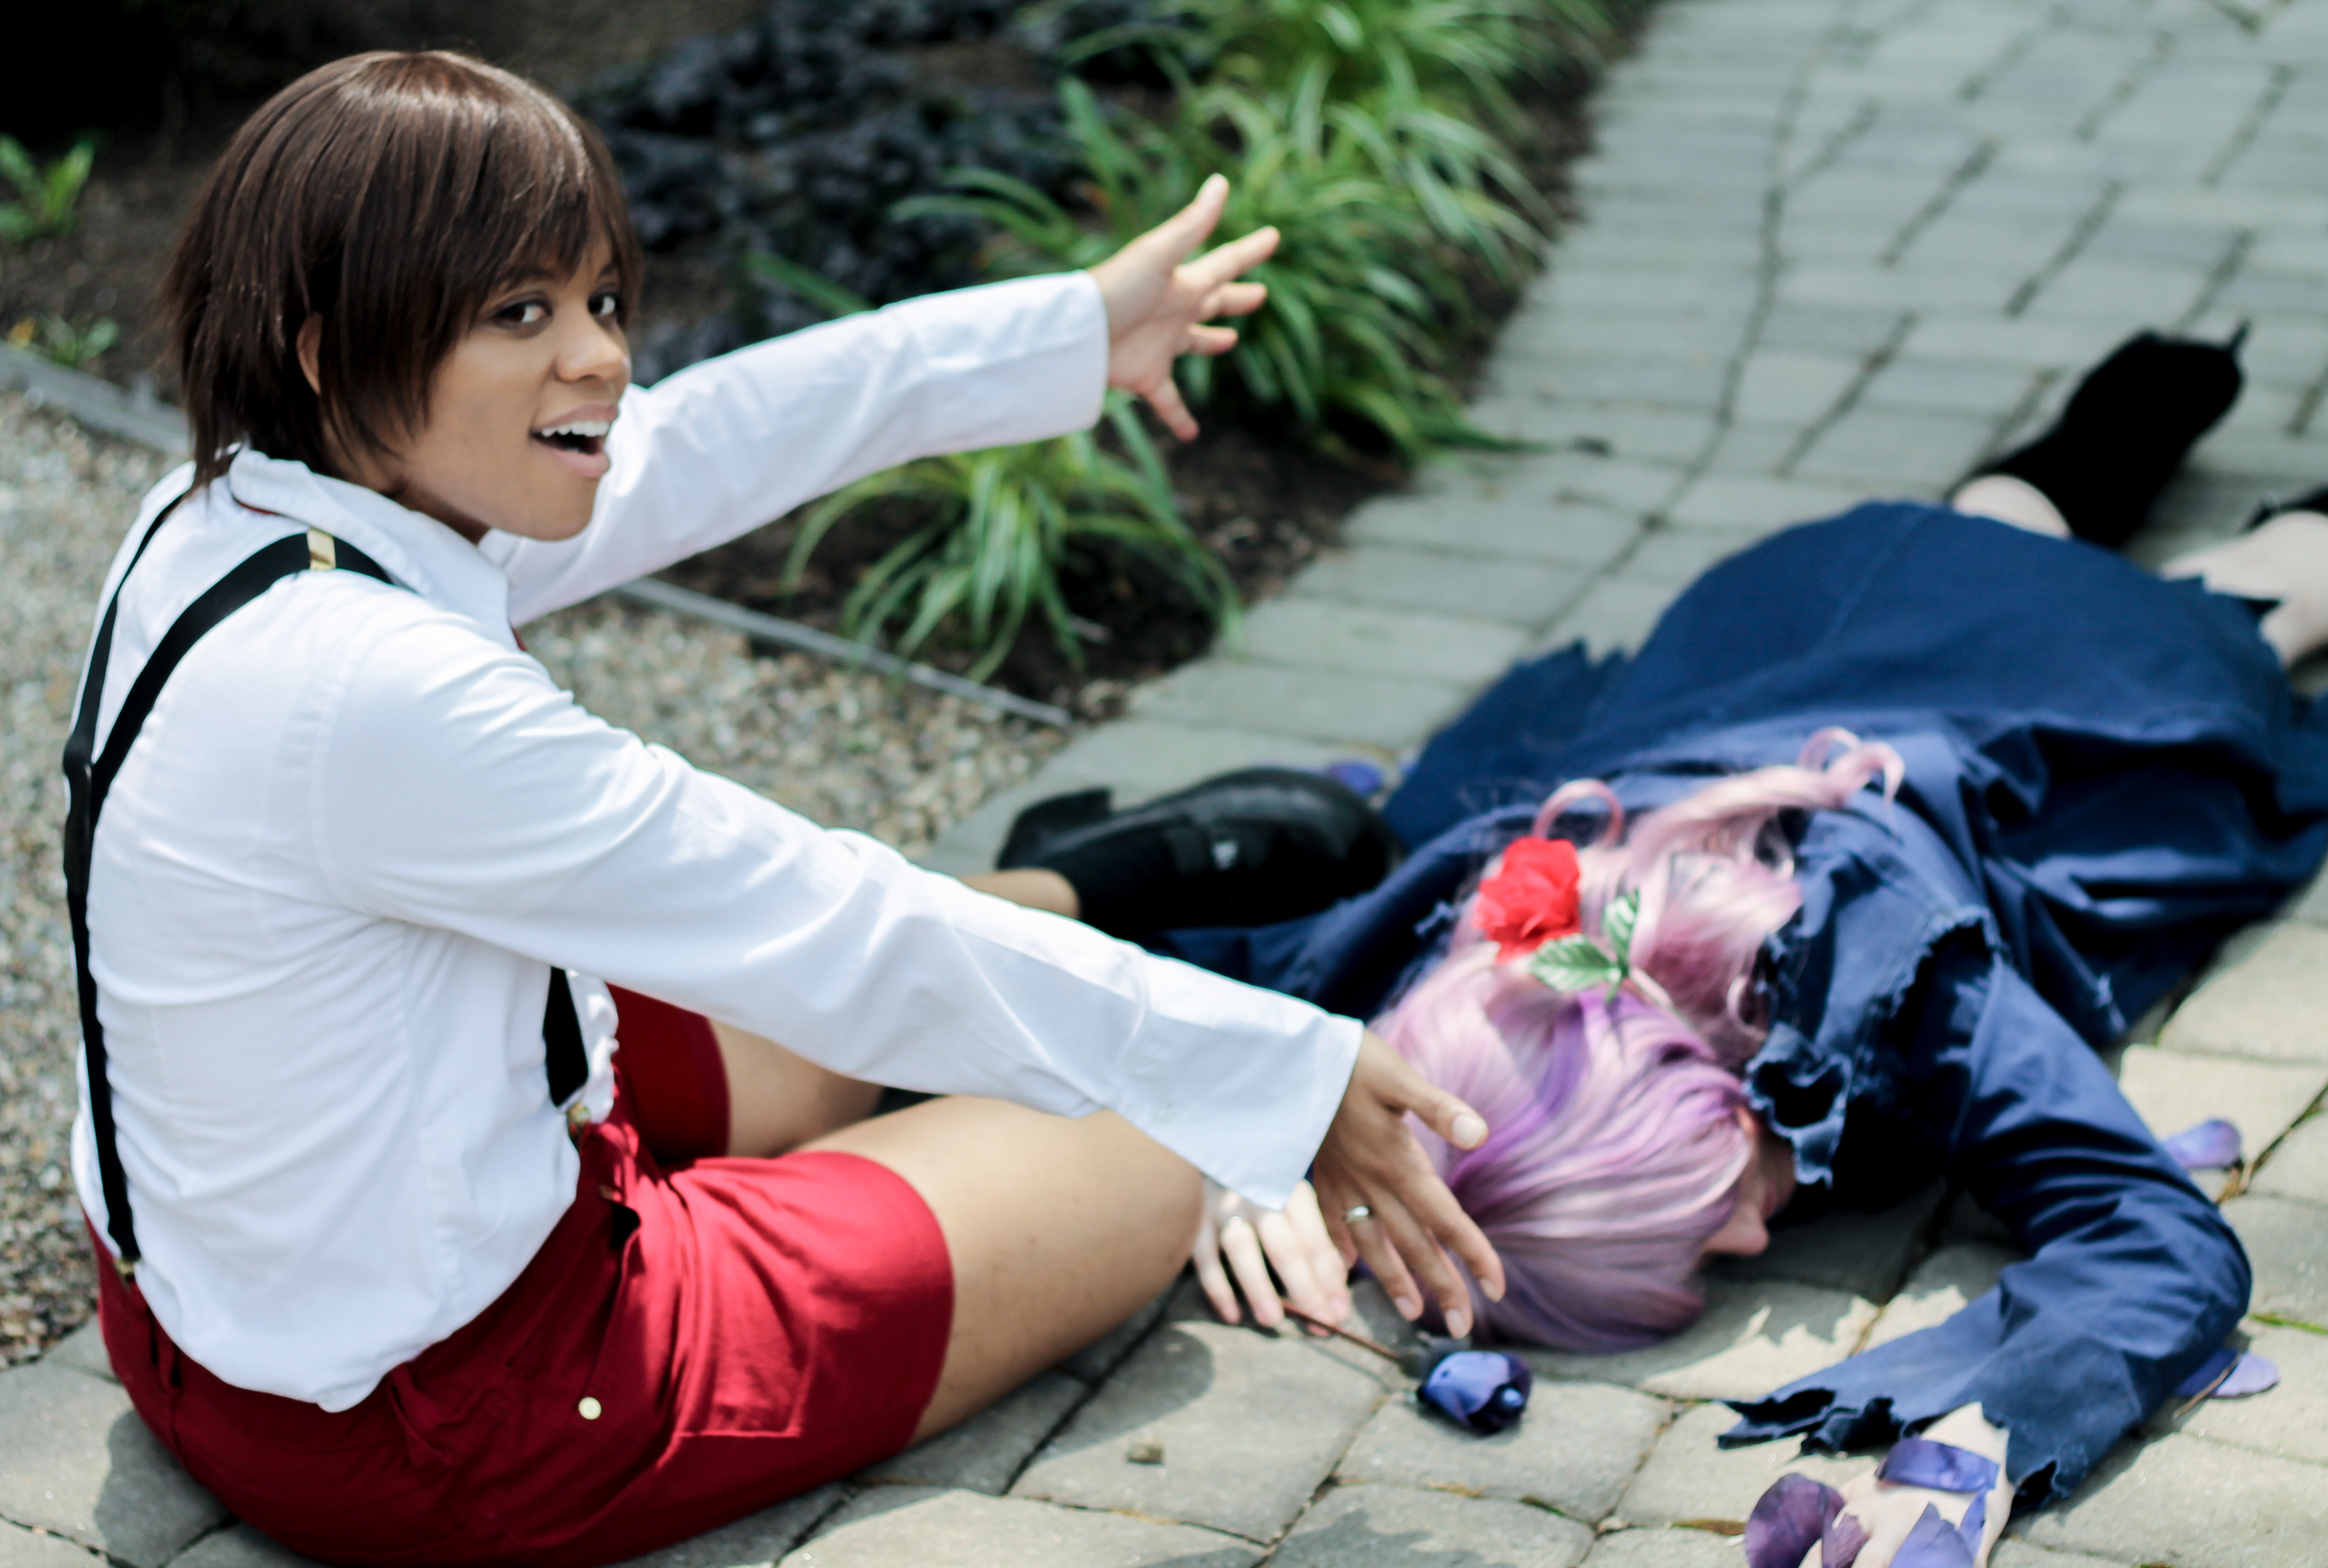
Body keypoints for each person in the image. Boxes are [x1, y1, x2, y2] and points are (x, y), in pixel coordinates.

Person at [67, 50, 1510, 1567]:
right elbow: (831, 925)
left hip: (189, 1310)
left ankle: (1094, 886)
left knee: (842, 1029)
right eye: (521, 314)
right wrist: (1278, 1082)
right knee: (1144, 1154)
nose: (601, 355)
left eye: (600, 298)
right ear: (326, 348)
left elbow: (698, 445)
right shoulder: (383, 691)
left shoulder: (224, 510)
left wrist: (1071, 331)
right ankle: (1112, 961)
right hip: (433, 1414)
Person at [1000, 327, 2328, 1567]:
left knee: (2263, 598)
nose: (1756, 1237)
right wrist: (1254, 1128)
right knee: (1986, 530)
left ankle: (2160, 462)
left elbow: (2160, 1237)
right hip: (1814, 622)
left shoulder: (1887, 973)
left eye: (1704, 1224)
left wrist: (1994, 1434)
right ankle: (2112, 429)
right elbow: (1199, 981)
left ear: (1699, 1092)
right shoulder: (1477, 962)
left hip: (2071, 691)